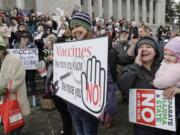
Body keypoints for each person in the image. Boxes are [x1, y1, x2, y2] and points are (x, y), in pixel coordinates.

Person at [118, 36, 172, 135]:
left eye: (148, 46)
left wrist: (177, 89)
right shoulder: (131, 68)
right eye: (141, 47)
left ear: (155, 51)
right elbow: (122, 86)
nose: (144, 49)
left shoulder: (165, 68)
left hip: (164, 123)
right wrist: (136, 66)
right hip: (143, 126)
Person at [68, 11, 99, 135]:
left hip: (88, 109)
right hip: (73, 106)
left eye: (77, 26)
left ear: (87, 27)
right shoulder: (72, 47)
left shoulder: (97, 47)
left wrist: (109, 107)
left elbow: (106, 78)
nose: (75, 30)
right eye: (72, 28)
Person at [0, 36, 30, 135]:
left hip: (15, 96)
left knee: (15, 122)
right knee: (12, 121)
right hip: (9, 97)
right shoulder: (4, 59)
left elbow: (19, 77)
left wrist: (5, 88)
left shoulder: (13, 60)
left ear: (2, 50)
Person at [153, 37, 180, 135]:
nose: (167, 57)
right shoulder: (168, 63)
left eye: (171, 55)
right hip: (168, 100)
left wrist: (155, 82)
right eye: (166, 54)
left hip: (176, 102)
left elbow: (163, 81)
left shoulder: (176, 67)